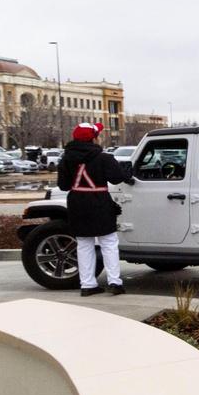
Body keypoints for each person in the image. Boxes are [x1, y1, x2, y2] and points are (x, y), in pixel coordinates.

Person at [58, 122, 134, 296]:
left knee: (84, 244)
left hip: (77, 203)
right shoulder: (104, 157)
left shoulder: (66, 159)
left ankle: (87, 284)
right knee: (108, 242)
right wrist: (125, 173)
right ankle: (115, 282)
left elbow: (63, 186)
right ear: (94, 138)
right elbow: (116, 179)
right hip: (100, 201)